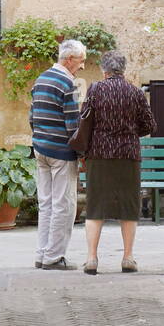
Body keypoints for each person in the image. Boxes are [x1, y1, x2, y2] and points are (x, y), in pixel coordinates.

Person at [81, 50, 156, 274]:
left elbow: (84, 120)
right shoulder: (135, 92)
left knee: (95, 206)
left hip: (99, 154)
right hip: (128, 155)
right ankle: (128, 258)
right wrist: (131, 132)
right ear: (123, 69)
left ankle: (92, 259)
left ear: (104, 70)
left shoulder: (95, 90)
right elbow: (150, 125)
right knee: (128, 208)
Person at [29, 38, 86, 270]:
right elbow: (73, 125)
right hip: (61, 152)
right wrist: (81, 153)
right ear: (70, 60)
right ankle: (53, 257)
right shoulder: (68, 84)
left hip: (41, 148)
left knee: (46, 204)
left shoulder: (40, 79)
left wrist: (40, 139)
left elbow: (32, 117)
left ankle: (42, 254)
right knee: (64, 204)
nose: (82, 66)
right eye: (81, 61)